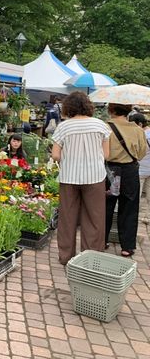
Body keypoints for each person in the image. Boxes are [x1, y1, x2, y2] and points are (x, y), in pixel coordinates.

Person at [51, 91, 111, 265]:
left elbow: (55, 155)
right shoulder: (101, 125)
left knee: (67, 218)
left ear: (68, 107)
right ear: (88, 105)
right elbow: (106, 155)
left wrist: (70, 159)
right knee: (94, 218)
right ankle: (90, 258)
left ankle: (66, 257)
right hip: (95, 177)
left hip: (69, 176)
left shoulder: (64, 126)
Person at [104, 104, 148, 257]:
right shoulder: (137, 129)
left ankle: (102, 240)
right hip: (130, 169)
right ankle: (127, 246)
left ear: (111, 110)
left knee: (106, 205)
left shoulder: (106, 127)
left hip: (110, 169)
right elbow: (142, 152)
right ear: (128, 111)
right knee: (129, 207)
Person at [129, 113, 150, 223]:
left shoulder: (140, 134)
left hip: (141, 169)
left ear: (140, 124)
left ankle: (134, 217)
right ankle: (148, 217)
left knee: (136, 195)